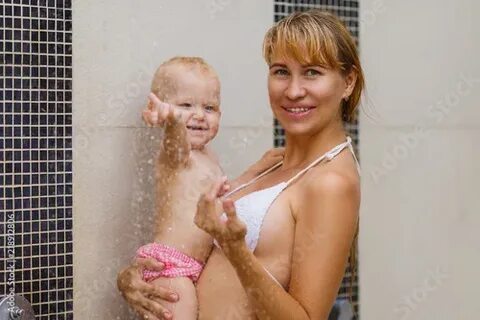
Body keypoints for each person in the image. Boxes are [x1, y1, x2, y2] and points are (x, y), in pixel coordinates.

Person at [118, 9, 364, 320]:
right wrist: (140, 278)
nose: (293, 90)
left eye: (312, 72)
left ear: (348, 82)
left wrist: (235, 250)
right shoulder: (274, 164)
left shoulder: (332, 182)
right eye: (281, 71)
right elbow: (195, 245)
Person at [131, 56, 285, 319]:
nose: (199, 115)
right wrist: (171, 120)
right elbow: (175, 140)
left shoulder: (209, 157)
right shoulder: (176, 157)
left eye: (210, 108)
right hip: (170, 266)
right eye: (185, 105)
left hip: (193, 267)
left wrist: (258, 169)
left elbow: (227, 195)